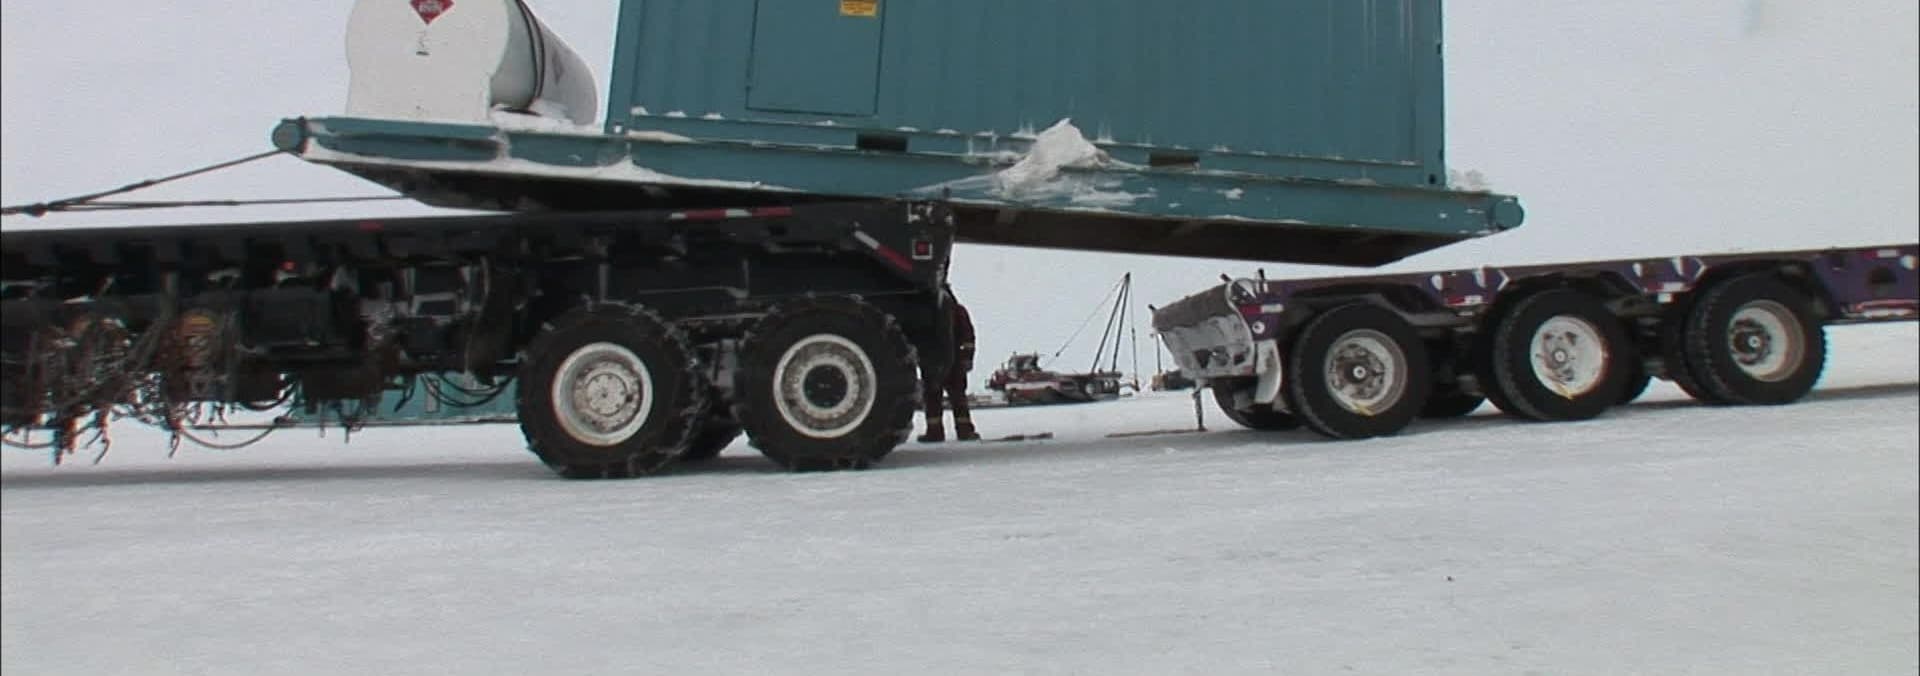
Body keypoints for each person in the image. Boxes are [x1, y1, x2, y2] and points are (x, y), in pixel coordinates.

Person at [919, 287, 979, 442]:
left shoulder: (926, 312)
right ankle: (964, 431)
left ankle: (935, 432)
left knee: (934, 397)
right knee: (956, 397)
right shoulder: (958, 311)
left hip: (935, 361)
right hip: (953, 360)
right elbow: (968, 336)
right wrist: (967, 357)